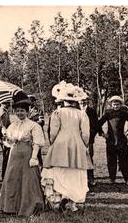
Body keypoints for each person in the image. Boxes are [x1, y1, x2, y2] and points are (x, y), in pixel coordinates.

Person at [41, 84, 90, 212]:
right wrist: (84, 145)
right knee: (76, 172)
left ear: (63, 100)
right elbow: (85, 134)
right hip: (76, 144)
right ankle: (72, 200)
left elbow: (53, 132)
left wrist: (53, 143)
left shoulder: (58, 112)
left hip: (60, 144)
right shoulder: (82, 114)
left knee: (59, 171)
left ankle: (59, 198)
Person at [0, 92, 45, 217]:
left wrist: (34, 157)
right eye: (17, 111)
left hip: (27, 155)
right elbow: (9, 142)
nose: (20, 113)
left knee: (28, 180)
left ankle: (29, 206)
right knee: (12, 178)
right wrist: (7, 138)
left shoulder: (33, 125)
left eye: (22, 111)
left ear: (27, 111)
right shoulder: (13, 125)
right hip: (14, 155)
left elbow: (37, 143)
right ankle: (10, 206)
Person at [98, 96, 128, 186]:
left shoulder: (123, 113)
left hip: (121, 140)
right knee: (111, 160)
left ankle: (127, 179)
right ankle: (112, 178)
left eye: (117, 104)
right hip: (110, 140)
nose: (116, 106)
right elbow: (98, 124)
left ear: (120, 105)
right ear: (111, 105)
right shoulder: (108, 114)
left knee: (124, 159)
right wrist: (102, 134)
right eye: (114, 104)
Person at [79, 93, 100, 186]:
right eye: (81, 101)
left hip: (89, 139)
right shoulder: (75, 110)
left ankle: (91, 178)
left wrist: (92, 135)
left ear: (87, 101)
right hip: (77, 138)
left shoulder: (91, 111)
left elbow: (96, 124)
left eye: (84, 100)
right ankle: (81, 179)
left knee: (89, 157)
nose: (82, 102)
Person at [0, 102, 11, 180]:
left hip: (3, 133)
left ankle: (5, 175)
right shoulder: (2, 112)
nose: (8, 104)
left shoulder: (2, 111)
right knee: (6, 155)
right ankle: (4, 176)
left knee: (6, 155)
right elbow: (1, 125)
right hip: (3, 134)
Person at [27, 94, 45, 167]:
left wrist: (32, 124)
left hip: (36, 134)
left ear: (34, 101)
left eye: (31, 100)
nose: (30, 102)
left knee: (37, 152)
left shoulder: (38, 111)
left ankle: (41, 168)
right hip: (28, 134)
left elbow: (42, 122)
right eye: (29, 100)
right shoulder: (25, 111)